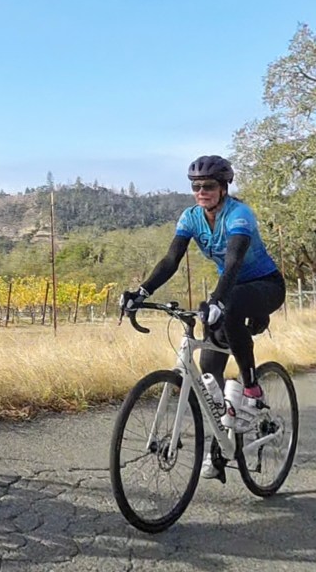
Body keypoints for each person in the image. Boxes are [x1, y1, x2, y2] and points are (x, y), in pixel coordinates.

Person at [118, 155, 286, 480]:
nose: (201, 191)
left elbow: (235, 260)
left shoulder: (239, 215)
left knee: (230, 305)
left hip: (264, 286)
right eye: (195, 186)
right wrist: (142, 292)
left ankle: (252, 389)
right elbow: (171, 259)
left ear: (223, 188)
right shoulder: (191, 217)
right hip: (230, 289)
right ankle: (221, 444)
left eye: (208, 186)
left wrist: (219, 301)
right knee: (209, 373)